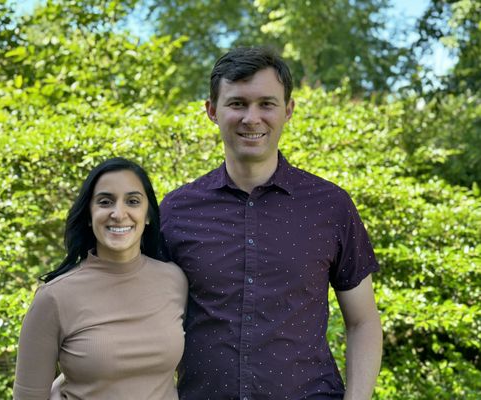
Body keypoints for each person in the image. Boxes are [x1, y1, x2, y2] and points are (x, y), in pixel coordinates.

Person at [159, 47, 382, 399]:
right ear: (212, 111)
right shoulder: (175, 211)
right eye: (237, 104)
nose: (252, 117)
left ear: (288, 111)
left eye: (266, 103)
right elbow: (137, 313)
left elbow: (363, 321)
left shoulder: (331, 206)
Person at [14, 157, 187, 400]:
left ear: (147, 215)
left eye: (133, 201)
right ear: (88, 215)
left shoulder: (175, 280)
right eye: (105, 202)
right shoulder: (54, 297)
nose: (118, 213)